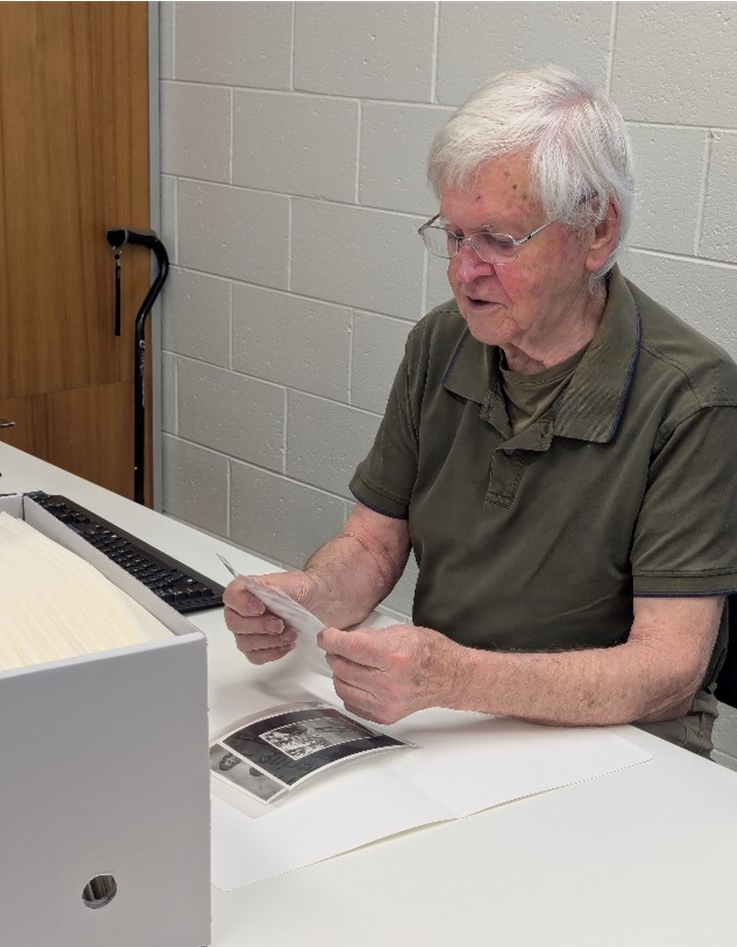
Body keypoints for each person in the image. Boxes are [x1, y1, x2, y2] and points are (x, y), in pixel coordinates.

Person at [224, 65, 737, 757]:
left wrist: (455, 676)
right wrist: (308, 598)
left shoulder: (692, 397)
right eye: (456, 236)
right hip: (455, 724)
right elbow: (375, 544)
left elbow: (669, 671)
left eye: (500, 239)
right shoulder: (441, 342)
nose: (465, 271)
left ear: (597, 231)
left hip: (617, 752)